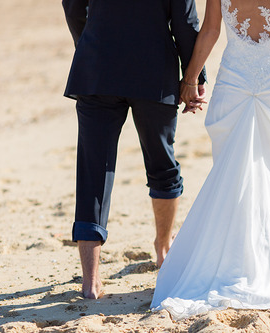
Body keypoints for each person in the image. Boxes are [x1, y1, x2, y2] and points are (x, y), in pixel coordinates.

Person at [151, 0, 270, 319]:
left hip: (235, 82)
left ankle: (237, 258)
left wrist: (190, 79)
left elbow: (211, 31)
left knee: (235, 175)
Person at [62, 0, 207, 299]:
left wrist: (89, 41)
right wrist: (193, 78)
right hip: (153, 72)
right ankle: (163, 249)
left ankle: (90, 282)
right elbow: (185, 22)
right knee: (162, 164)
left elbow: (73, 5)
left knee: (92, 172)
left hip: (97, 66)